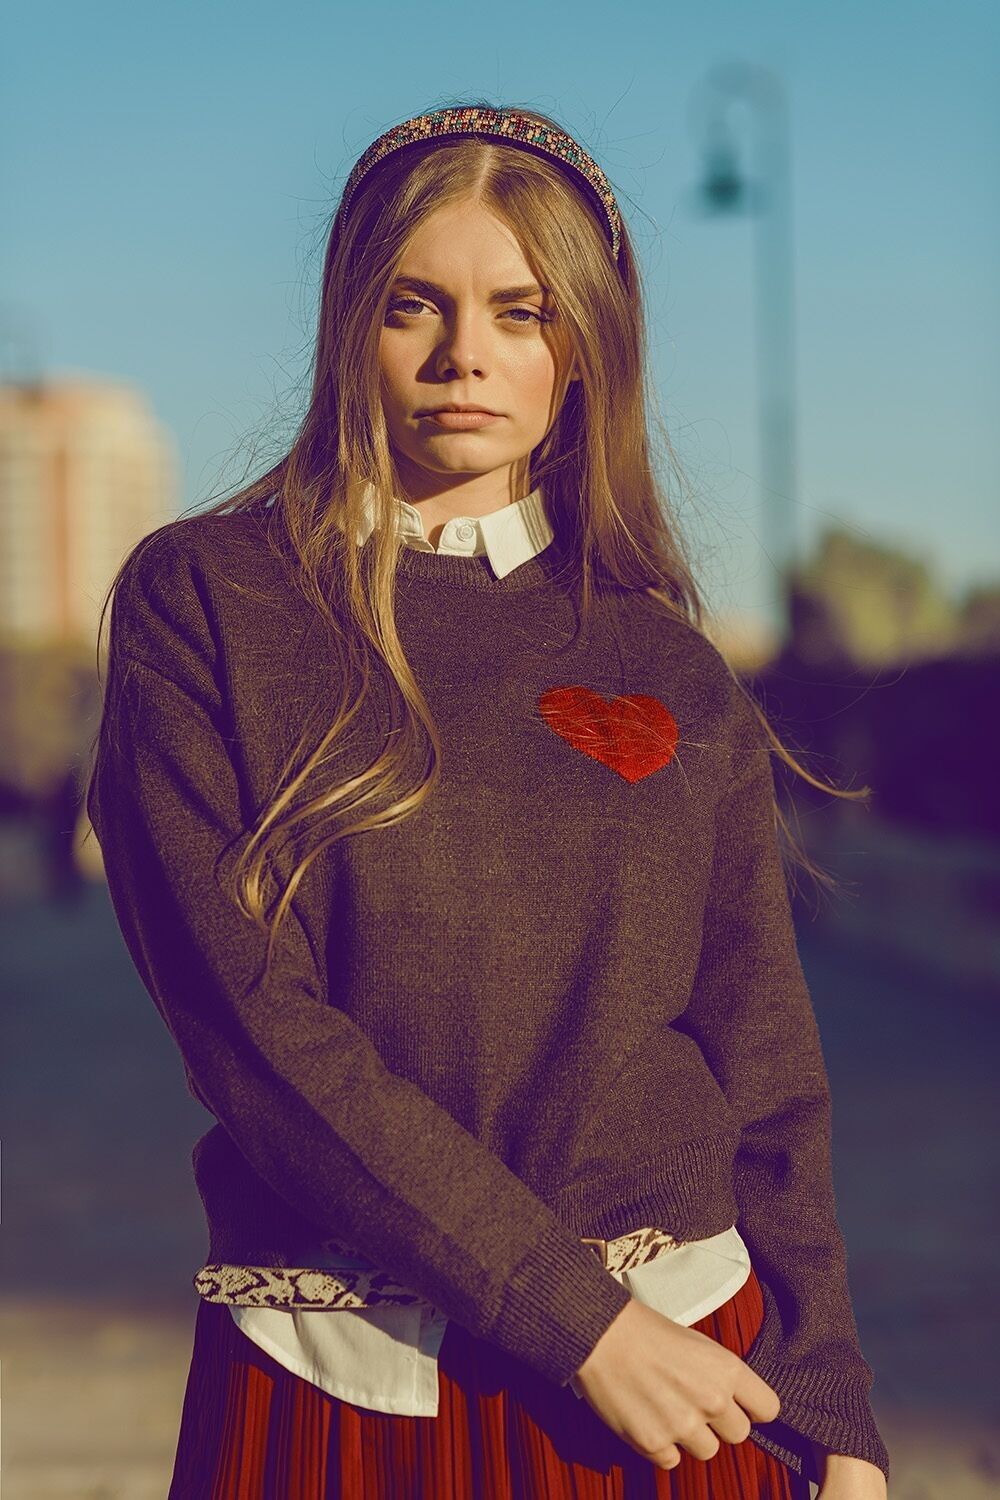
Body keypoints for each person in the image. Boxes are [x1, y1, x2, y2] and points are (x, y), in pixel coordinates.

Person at [85, 100, 891, 1499]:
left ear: (583, 348)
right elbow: (253, 1034)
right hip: (347, 1386)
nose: (468, 356)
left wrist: (830, 1406)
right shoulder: (208, 601)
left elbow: (762, 1054)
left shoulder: (664, 666)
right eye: (417, 307)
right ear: (351, 324)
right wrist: (579, 1324)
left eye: (522, 313)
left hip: (693, 1384)